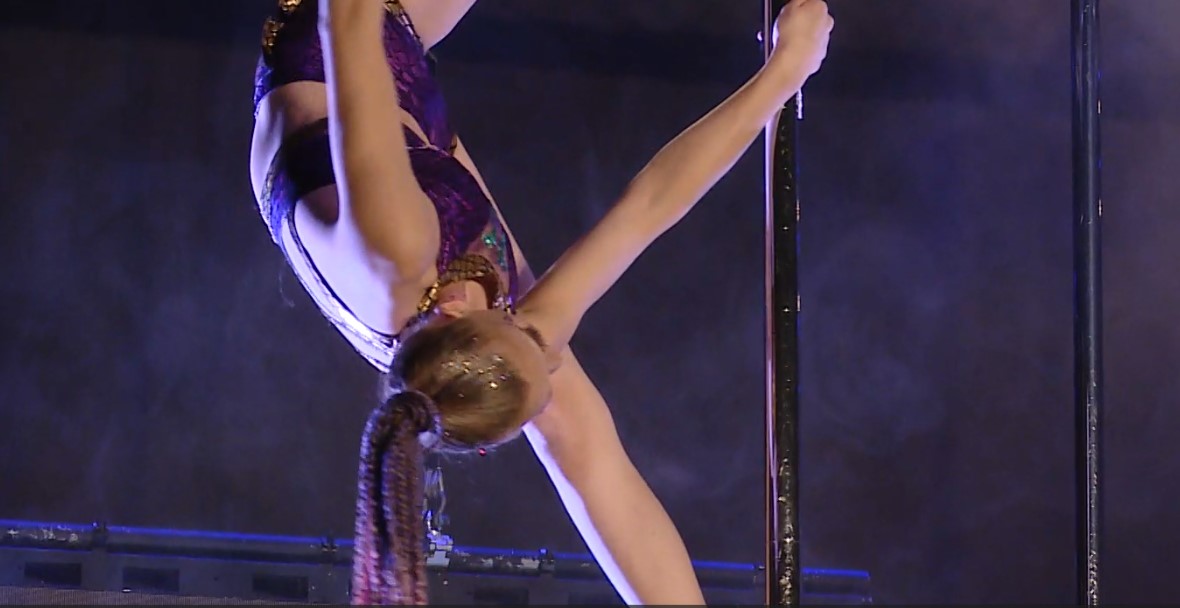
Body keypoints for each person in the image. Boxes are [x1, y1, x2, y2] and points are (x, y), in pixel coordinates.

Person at [249, 0, 832, 603]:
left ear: (455, 312)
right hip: (417, 131)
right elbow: (650, 206)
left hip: (331, 50)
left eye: (528, 335)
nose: (549, 346)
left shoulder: (392, 249)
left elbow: (347, 17)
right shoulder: (498, 337)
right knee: (572, 426)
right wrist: (785, 71)